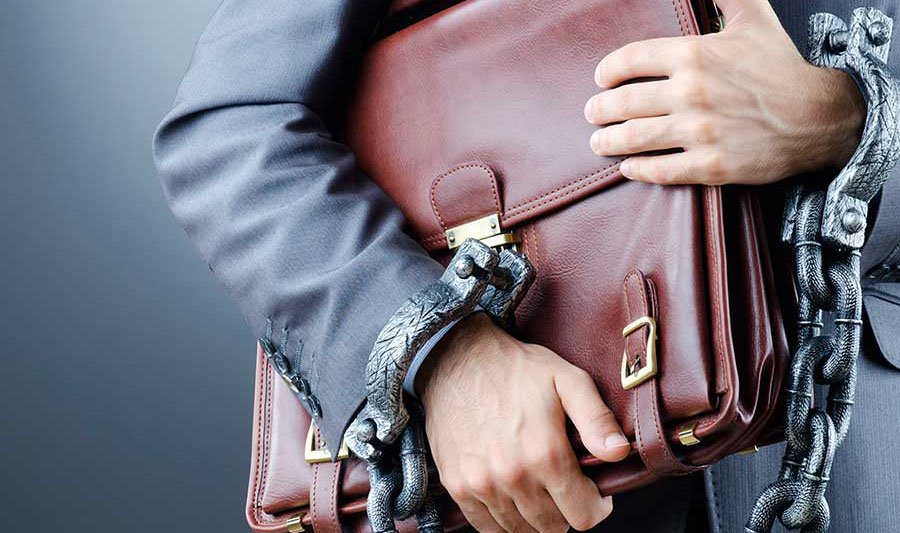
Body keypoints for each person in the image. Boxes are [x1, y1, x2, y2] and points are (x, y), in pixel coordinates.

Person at [153, 0, 900, 531]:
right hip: (528, 470)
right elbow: (231, 132)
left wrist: (846, 122)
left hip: (868, 463)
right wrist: (443, 354)